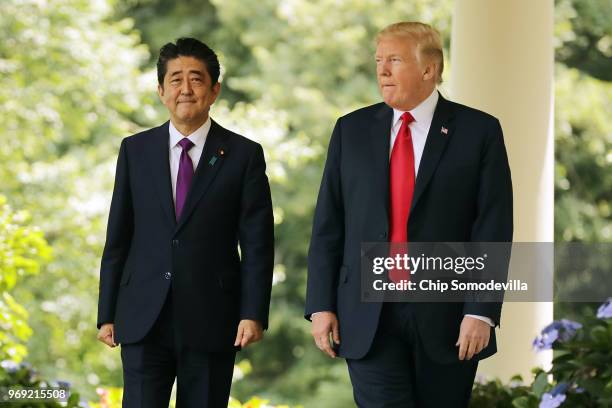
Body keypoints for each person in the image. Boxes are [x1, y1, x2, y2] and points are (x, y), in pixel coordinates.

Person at [305, 22, 513, 407]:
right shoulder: (350, 130)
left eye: (395, 60)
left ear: (429, 70)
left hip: (448, 316)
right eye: (379, 60)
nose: (382, 70)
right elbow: (328, 225)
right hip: (367, 314)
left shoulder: (478, 131)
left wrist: (481, 312)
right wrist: (321, 304)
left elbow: (493, 227)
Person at [96, 38, 274, 408]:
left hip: (213, 317)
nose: (186, 89)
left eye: (196, 79)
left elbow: (258, 244)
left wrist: (252, 312)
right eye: (175, 80)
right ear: (161, 91)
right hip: (143, 316)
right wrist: (106, 313)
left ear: (214, 91)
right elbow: (118, 236)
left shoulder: (243, 155)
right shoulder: (135, 150)